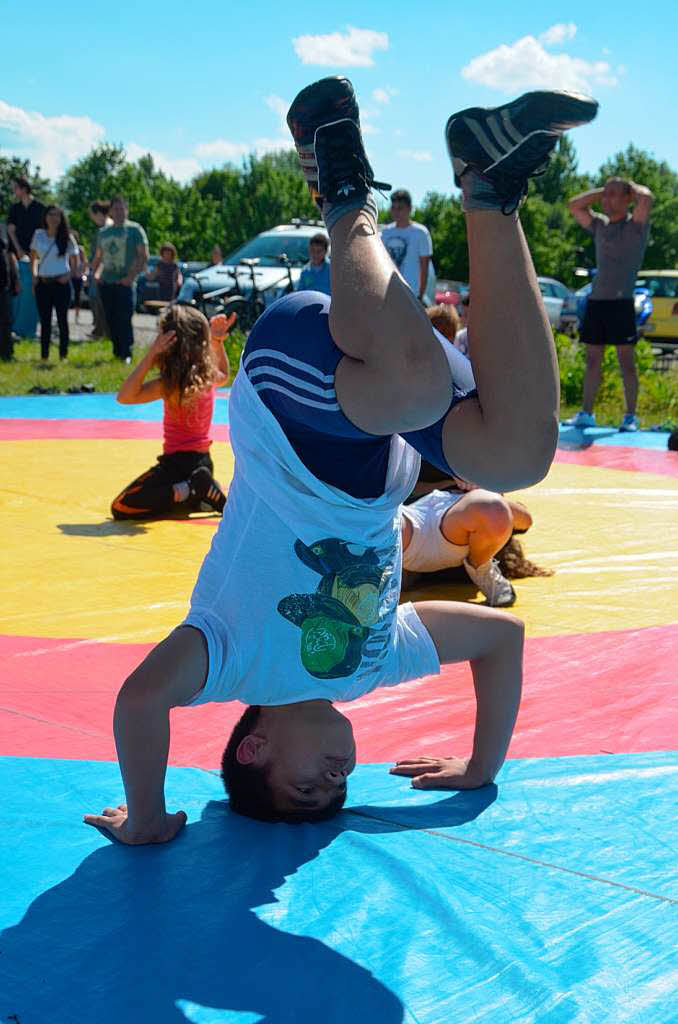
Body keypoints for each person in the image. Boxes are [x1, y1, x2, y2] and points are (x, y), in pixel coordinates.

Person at [84, 76, 597, 843]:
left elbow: (138, 701)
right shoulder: (371, 666)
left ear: (252, 748)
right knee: (519, 454)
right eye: (337, 794)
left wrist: (150, 820)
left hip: (287, 406)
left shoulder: (229, 663)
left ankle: (342, 186)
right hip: (378, 426)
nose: (332, 783)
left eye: (303, 791)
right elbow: (501, 639)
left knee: (417, 384)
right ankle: (490, 186)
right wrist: (480, 767)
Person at [110, 306, 233, 520]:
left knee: (122, 506)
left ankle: (189, 488)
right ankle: (197, 490)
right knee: (183, 505)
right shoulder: (206, 378)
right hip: (203, 463)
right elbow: (224, 375)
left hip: (176, 466)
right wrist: (217, 342)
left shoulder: (168, 385)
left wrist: (150, 355)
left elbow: (125, 396)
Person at [568, 177, 653, 432]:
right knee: (593, 360)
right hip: (597, 302)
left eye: (614, 194)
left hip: (621, 302)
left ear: (628, 198)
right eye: (605, 195)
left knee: (626, 361)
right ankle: (586, 413)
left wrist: (628, 187)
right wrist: (603, 192)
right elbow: (574, 206)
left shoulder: (636, 226)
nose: (607, 199)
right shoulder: (600, 226)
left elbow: (647, 198)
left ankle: (630, 417)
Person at [400, 485, 544, 606]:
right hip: (426, 516)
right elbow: (524, 519)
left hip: (421, 527)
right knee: (497, 508)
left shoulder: (487, 510)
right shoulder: (484, 507)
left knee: (494, 508)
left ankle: (480, 568)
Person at [90, 195, 149, 362]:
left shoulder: (134, 230)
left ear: (127, 210)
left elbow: (143, 256)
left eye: (122, 208)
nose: (119, 212)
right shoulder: (103, 233)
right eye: (115, 209)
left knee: (124, 317)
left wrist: (131, 277)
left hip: (125, 282)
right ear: (110, 211)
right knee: (110, 318)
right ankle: (116, 351)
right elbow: (99, 256)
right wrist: (94, 273)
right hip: (106, 281)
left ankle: (126, 352)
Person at [30, 205, 79, 361]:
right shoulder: (39, 235)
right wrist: (34, 275)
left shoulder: (67, 237)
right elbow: (33, 257)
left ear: (61, 218)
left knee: (62, 320)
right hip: (43, 283)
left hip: (61, 284)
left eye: (57, 215)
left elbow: (75, 261)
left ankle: (63, 355)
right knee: (45, 321)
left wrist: (69, 275)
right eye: (50, 214)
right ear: (45, 217)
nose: (53, 218)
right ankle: (44, 355)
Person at [6, 176, 45, 341]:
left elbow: (44, 233)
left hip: (37, 257)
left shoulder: (39, 208)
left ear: (23, 189)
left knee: (32, 292)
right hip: (18, 256)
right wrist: (20, 250)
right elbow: (11, 231)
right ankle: (16, 329)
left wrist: (34, 253)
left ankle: (30, 329)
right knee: (18, 291)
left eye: (15, 188)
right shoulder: (15, 209)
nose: (14, 191)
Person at [381, 188, 433, 302]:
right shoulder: (385, 232)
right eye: (393, 208)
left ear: (409, 209)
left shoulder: (420, 233)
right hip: (388, 291)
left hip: (412, 293)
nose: (396, 212)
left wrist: (420, 295)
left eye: (400, 208)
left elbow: (425, 268)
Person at [87, 201, 112, 339]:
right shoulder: (103, 228)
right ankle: (99, 329)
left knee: (100, 301)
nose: (92, 218)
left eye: (92, 215)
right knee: (95, 300)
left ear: (98, 213)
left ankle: (102, 331)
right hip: (96, 270)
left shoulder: (107, 228)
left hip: (102, 272)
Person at [0, 229, 20, 361]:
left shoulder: (2, 236)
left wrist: (16, 278)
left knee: (6, 321)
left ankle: (7, 353)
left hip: (3, 285)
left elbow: (10, 255)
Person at [70, 230, 87, 322]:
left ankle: (77, 314)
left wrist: (84, 274)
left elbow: (84, 262)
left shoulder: (80, 249)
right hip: (69, 275)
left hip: (78, 275)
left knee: (77, 295)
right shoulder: (67, 248)